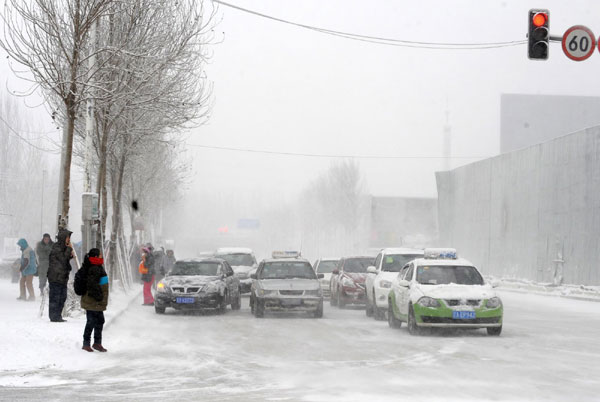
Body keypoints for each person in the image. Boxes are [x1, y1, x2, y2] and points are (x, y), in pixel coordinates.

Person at [80, 248, 109, 353]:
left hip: (96, 300)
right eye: (100, 255)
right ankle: (86, 343)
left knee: (99, 321)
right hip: (93, 300)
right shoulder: (94, 268)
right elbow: (92, 284)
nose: (102, 256)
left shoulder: (97, 266)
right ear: (96, 257)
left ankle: (97, 343)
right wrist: (99, 297)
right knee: (91, 321)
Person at [47, 229, 74, 322]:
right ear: (63, 238)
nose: (69, 240)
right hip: (56, 277)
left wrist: (70, 254)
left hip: (62, 277)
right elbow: (62, 259)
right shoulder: (56, 247)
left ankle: (57, 315)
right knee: (55, 297)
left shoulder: (63, 248)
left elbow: (64, 260)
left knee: (62, 297)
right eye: (67, 237)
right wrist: (69, 249)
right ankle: (54, 317)